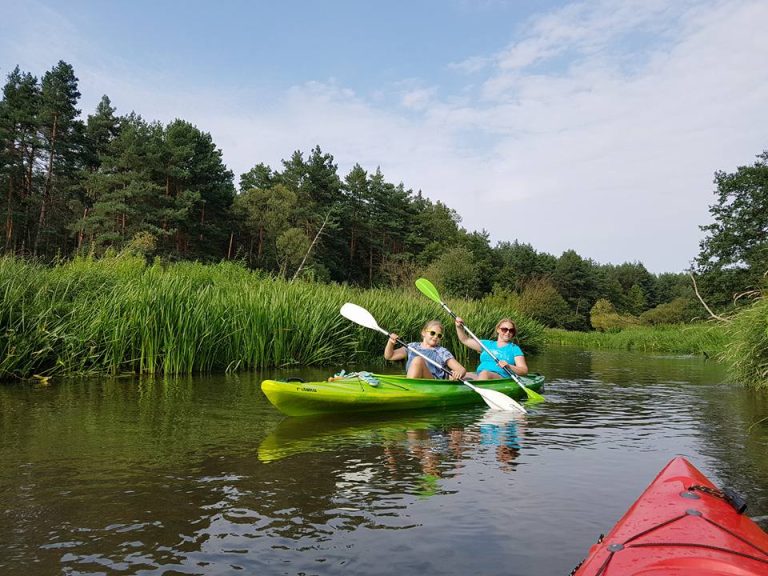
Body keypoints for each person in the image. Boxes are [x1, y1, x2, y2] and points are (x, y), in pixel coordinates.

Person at [384, 320, 467, 380]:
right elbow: (389, 356)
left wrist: (458, 373)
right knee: (418, 360)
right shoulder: (412, 346)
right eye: (432, 333)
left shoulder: (441, 351)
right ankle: (410, 384)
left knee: (418, 360)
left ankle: (410, 387)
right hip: (413, 379)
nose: (435, 337)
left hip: (433, 384)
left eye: (439, 336)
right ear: (423, 332)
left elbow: (461, 369)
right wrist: (390, 343)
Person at [455, 317, 528, 380]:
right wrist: (459, 327)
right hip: (480, 374)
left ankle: (477, 392)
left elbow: (524, 371)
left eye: (511, 330)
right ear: (498, 330)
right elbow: (465, 340)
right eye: (504, 329)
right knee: (457, 374)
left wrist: (509, 366)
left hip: (501, 378)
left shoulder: (514, 348)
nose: (508, 332)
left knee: (485, 374)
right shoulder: (486, 344)